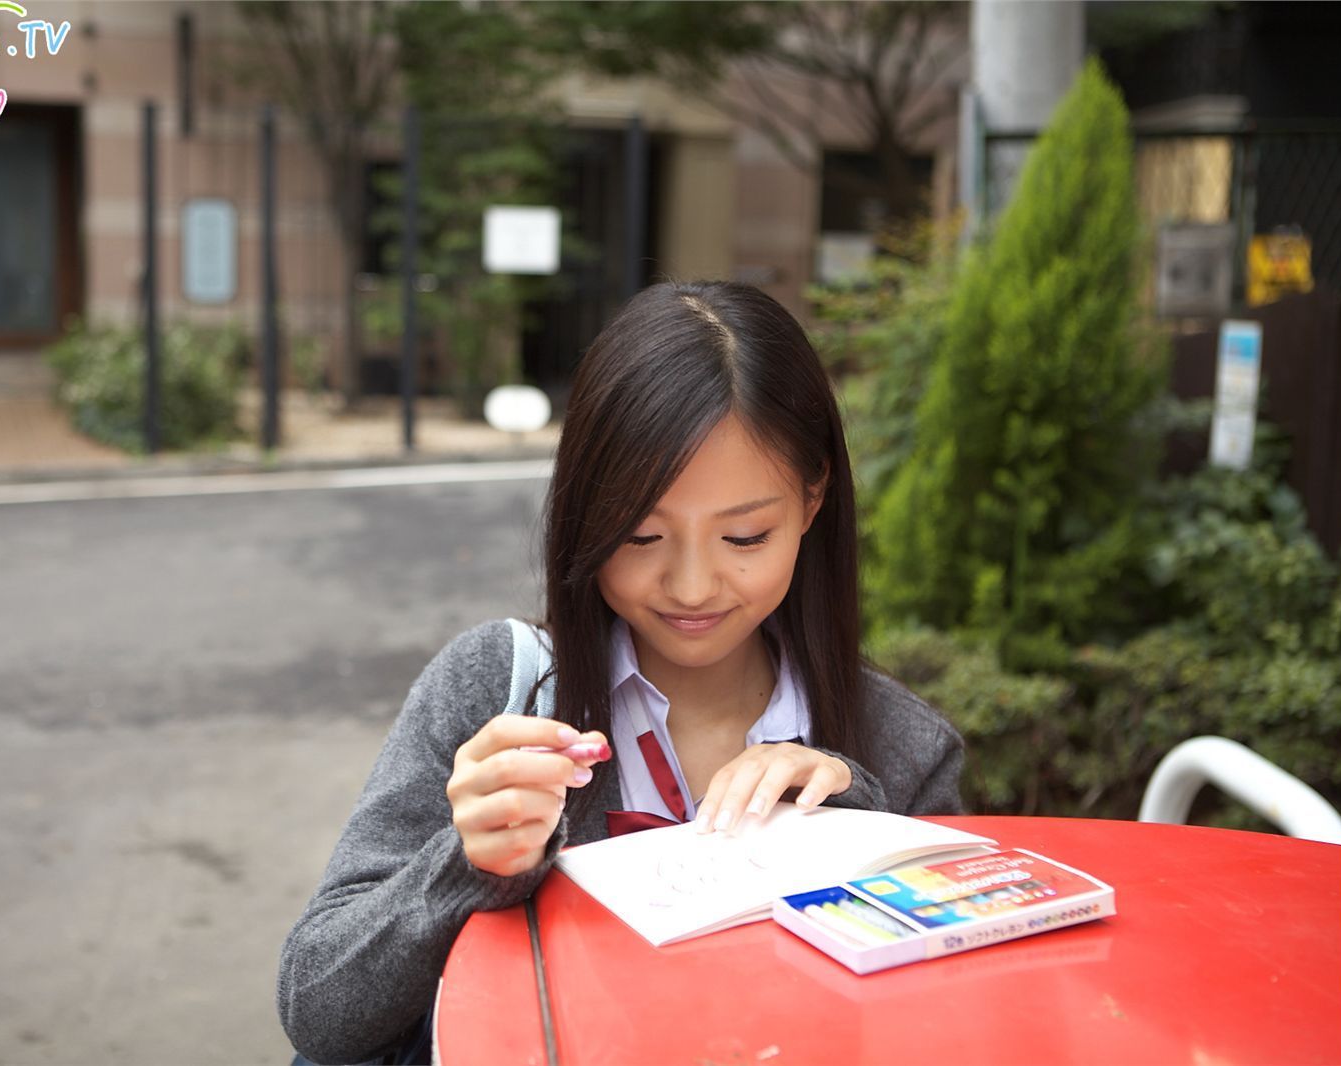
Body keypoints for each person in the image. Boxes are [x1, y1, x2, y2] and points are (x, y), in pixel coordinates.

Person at [277, 280, 964, 1064]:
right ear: (584, 514)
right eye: (641, 535)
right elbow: (319, 1011)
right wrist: (466, 864)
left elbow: (954, 1018)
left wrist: (856, 824)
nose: (693, 586)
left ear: (812, 503)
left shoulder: (904, 748)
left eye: (744, 537)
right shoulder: (498, 690)